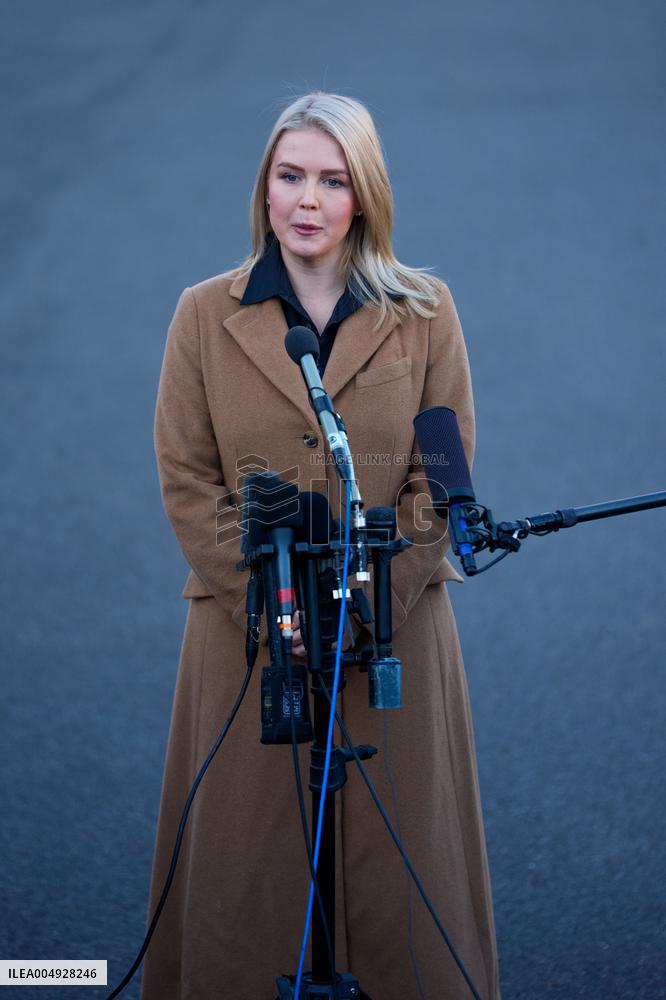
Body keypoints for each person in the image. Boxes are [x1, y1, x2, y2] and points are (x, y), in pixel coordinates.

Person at [141, 91, 500, 1000]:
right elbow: (187, 475)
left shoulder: (426, 311)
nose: (308, 199)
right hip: (245, 637)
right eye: (290, 175)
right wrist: (269, 597)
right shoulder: (200, 314)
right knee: (248, 888)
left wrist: (364, 594)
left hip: (395, 634)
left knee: (400, 896)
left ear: (364, 196)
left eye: (332, 180)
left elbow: (441, 474)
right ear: (263, 190)